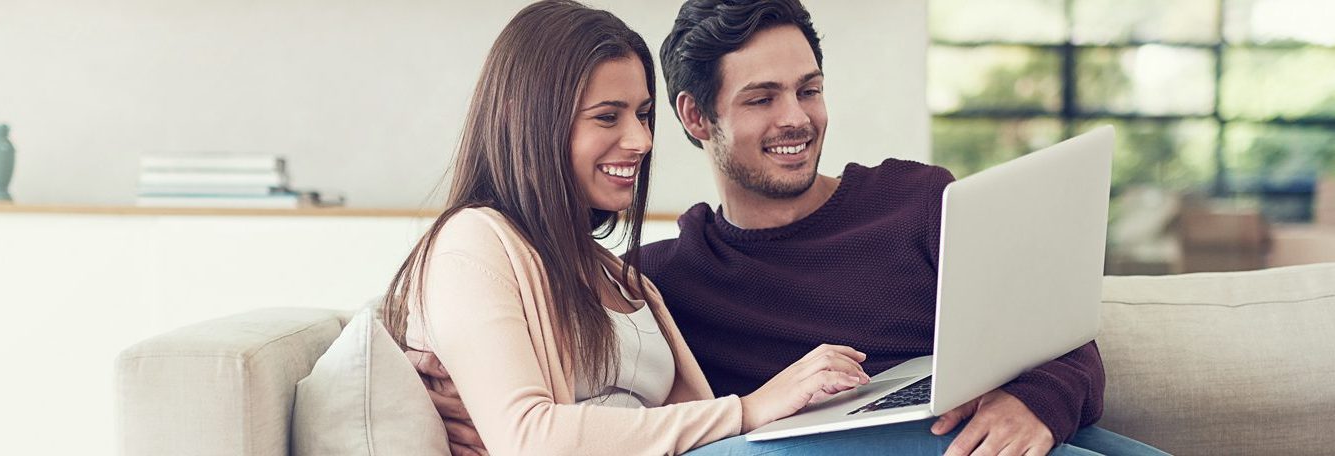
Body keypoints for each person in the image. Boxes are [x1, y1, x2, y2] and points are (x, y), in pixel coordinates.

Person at [413, 1, 1169, 455]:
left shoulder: (919, 201)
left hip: (991, 437)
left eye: (808, 90)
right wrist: (468, 400)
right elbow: (550, 411)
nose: (796, 119)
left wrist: (1035, 403)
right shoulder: (671, 276)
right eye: (761, 98)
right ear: (696, 117)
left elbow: (1059, 337)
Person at [380, 1, 885, 455]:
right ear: (523, 118)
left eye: (643, 115)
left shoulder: (622, 275)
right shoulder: (473, 241)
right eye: (607, 117)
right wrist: (748, 409)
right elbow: (528, 438)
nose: (641, 140)